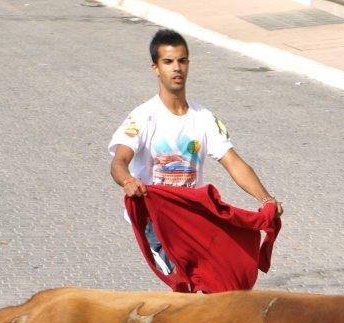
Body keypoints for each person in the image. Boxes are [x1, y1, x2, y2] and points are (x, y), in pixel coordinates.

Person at [109, 28, 282, 276]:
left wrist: (266, 199)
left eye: (181, 60)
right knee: (186, 281)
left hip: (192, 218)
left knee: (224, 274)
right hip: (156, 221)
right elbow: (119, 160)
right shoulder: (143, 117)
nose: (176, 68)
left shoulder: (204, 119)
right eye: (168, 62)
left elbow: (233, 162)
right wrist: (127, 180)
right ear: (155, 68)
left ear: (188, 64)